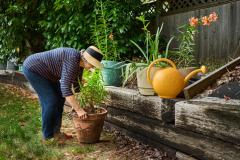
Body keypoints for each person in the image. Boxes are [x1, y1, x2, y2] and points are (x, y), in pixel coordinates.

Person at [23, 46, 103, 142]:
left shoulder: (79, 62)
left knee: (60, 99)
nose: (94, 67)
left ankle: (56, 133)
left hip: (49, 74)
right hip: (33, 69)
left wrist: (79, 104)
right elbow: (65, 87)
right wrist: (78, 109)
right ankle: (48, 136)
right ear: (86, 60)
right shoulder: (72, 60)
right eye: (93, 64)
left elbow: (77, 85)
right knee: (50, 102)